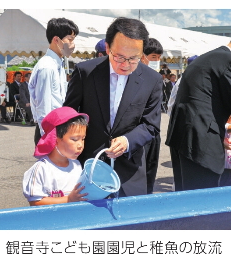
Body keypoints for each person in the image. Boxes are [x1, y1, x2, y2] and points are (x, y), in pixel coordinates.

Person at [63, 17, 162, 197]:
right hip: (88, 168)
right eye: (119, 57)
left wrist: (127, 141)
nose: (125, 65)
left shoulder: (152, 80)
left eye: (134, 59)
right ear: (108, 48)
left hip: (130, 172)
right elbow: (68, 115)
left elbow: (151, 125)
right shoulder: (85, 72)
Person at [166, 29, 231, 191]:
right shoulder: (230, 60)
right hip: (199, 144)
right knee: (203, 199)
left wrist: (221, 138)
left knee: (185, 196)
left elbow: (203, 105)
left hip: (183, 139)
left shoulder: (210, 58)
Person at [23, 107, 89, 205]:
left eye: (83, 139)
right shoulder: (41, 169)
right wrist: (68, 199)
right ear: (55, 139)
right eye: (75, 139)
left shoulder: (77, 165)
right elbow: (35, 202)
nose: (80, 145)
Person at [29, 17, 79, 146]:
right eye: (70, 39)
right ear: (56, 40)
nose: (73, 45)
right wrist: (48, 136)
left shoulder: (57, 64)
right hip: (50, 131)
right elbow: (43, 106)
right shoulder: (47, 67)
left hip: (59, 128)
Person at [140, 37, 163, 194]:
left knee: (150, 172)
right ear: (143, 56)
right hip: (140, 133)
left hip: (154, 133)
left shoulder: (156, 78)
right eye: (154, 57)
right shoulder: (136, 77)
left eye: (159, 58)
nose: (157, 61)